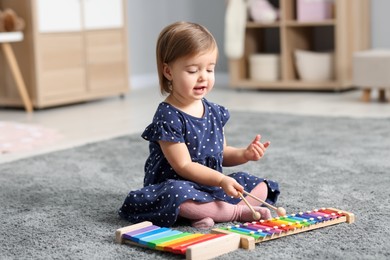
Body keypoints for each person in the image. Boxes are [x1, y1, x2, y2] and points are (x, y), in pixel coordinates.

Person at [118, 21, 280, 229]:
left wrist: (244, 154)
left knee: (258, 186)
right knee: (177, 196)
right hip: (178, 186)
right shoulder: (167, 116)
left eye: (210, 69)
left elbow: (221, 153)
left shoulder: (214, 111)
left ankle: (207, 212)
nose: (203, 77)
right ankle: (234, 212)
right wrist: (221, 181)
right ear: (169, 72)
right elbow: (183, 166)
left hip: (210, 186)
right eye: (193, 70)